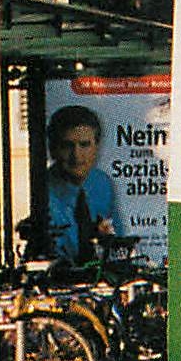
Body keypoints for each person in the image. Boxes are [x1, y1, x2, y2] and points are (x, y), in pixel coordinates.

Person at [44, 104, 117, 265]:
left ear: (96, 147)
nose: (76, 155)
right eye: (67, 146)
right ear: (53, 149)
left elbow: (118, 239)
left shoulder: (103, 184)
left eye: (84, 145)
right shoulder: (40, 190)